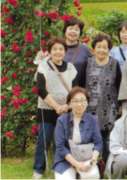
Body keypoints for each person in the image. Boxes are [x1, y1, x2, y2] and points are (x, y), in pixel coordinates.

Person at [33, 37, 78, 180]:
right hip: (46, 109)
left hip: (66, 111)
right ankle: (38, 170)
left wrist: (67, 106)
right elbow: (41, 90)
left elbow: (75, 90)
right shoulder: (43, 67)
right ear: (49, 51)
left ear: (65, 51)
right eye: (54, 49)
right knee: (43, 140)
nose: (58, 52)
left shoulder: (71, 68)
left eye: (61, 49)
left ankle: (60, 168)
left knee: (62, 141)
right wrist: (57, 106)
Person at [76, 33, 122, 165]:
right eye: (99, 46)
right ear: (94, 48)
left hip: (109, 108)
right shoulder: (88, 63)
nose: (101, 50)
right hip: (90, 108)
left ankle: (105, 164)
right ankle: (90, 163)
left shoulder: (114, 63)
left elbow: (119, 85)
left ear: (109, 49)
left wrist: (120, 105)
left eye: (105, 47)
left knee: (107, 138)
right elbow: (80, 84)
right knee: (90, 137)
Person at [52, 87, 103, 180]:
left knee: (93, 176)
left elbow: (98, 143)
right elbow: (60, 147)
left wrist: (93, 160)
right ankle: (75, 173)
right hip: (66, 160)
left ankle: (79, 175)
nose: (79, 104)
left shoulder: (92, 119)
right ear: (69, 104)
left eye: (83, 100)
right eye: (75, 101)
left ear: (87, 103)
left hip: (86, 159)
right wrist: (76, 164)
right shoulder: (61, 120)